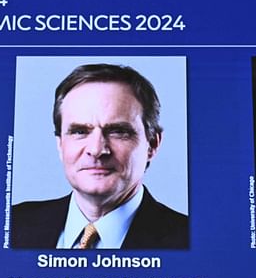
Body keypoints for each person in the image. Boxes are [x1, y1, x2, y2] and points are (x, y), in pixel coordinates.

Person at [10, 64, 188, 249]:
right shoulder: (11, 225)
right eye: (79, 131)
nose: (96, 150)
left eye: (118, 131)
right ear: (60, 144)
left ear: (152, 144)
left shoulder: (189, 239)